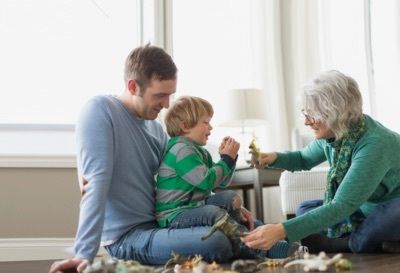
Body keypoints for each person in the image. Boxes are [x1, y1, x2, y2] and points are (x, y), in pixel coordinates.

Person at [49, 45, 233, 273]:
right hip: (127, 237)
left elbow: (181, 182)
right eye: (160, 95)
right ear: (133, 86)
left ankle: (274, 247)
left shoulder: (156, 130)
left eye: (170, 95)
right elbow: (93, 183)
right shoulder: (100, 111)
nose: (167, 104)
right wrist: (83, 253)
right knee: (217, 242)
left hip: (159, 225)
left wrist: (222, 203)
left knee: (231, 207)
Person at [241, 70, 400, 254]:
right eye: (305, 113)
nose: (306, 122)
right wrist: (274, 158)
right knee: (304, 208)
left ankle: (354, 243)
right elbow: (303, 159)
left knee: (381, 219)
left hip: (390, 207)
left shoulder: (375, 145)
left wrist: (281, 230)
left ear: (335, 113)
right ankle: (373, 241)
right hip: (363, 209)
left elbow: (341, 205)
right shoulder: (337, 133)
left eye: (311, 115)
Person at [156, 96, 298, 259]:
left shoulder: (198, 151)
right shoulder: (181, 150)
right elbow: (206, 181)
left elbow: (220, 184)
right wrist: (226, 159)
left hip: (193, 206)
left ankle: (269, 236)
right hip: (175, 214)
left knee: (230, 198)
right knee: (213, 212)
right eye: (206, 122)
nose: (210, 127)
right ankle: (261, 248)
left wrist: (228, 159)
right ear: (186, 125)